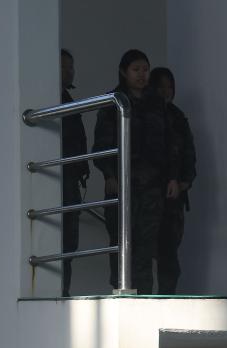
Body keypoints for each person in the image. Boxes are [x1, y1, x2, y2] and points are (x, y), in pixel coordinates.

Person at [93, 49, 179, 293]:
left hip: (152, 186)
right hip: (122, 183)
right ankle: (120, 291)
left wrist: (172, 176)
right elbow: (102, 143)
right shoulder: (113, 101)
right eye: (136, 70)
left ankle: (144, 295)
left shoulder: (156, 102)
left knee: (146, 245)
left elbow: (170, 142)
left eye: (145, 69)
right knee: (120, 242)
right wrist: (109, 174)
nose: (142, 75)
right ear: (124, 72)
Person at [148, 68, 196, 294]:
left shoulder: (177, 116)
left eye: (170, 86)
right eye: (161, 86)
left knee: (169, 255)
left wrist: (185, 180)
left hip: (173, 198)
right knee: (144, 254)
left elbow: (188, 152)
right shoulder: (146, 114)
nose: (166, 91)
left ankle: (166, 298)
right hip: (148, 194)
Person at [60, 49, 90, 297]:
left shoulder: (67, 99)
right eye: (64, 67)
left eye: (71, 66)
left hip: (70, 180)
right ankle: (60, 293)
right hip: (58, 182)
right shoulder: (51, 99)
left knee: (69, 245)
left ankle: (65, 292)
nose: (70, 71)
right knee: (61, 243)